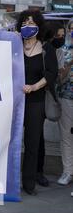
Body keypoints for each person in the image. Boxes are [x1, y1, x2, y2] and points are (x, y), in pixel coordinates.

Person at [17, 10, 58, 196]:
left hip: (36, 102)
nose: (28, 26)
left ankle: (29, 183)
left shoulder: (46, 49)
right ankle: (10, 179)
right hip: (15, 101)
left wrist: (34, 87)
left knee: (32, 143)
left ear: (39, 26)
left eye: (32, 23)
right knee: (13, 141)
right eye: (25, 22)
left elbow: (51, 74)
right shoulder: (14, 45)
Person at [35, 22, 66, 187]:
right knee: (36, 136)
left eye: (63, 35)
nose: (60, 38)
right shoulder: (41, 49)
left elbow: (57, 77)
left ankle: (38, 171)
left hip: (43, 97)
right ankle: (36, 171)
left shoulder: (56, 51)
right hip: (34, 96)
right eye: (58, 35)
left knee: (38, 136)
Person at [57, 20, 73, 186]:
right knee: (66, 136)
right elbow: (59, 80)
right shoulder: (62, 51)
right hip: (67, 97)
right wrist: (69, 64)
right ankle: (67, 171)